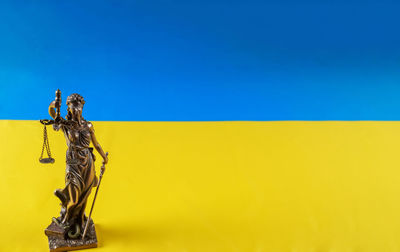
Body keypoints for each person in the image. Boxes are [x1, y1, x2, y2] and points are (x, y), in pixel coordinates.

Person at [48, 93, 108, 238]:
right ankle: (65, 221)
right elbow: (51, 112)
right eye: (73, 109)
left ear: (82, 108)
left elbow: (96, 143)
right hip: (73, 164)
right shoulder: (65, 125)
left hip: (87, 163)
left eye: (78, 108)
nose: (76, 111)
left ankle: (79, 221)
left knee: (84, 195)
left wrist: (104, 157)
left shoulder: (88, 125)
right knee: (74, 199)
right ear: (68, 109)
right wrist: (54, 103)